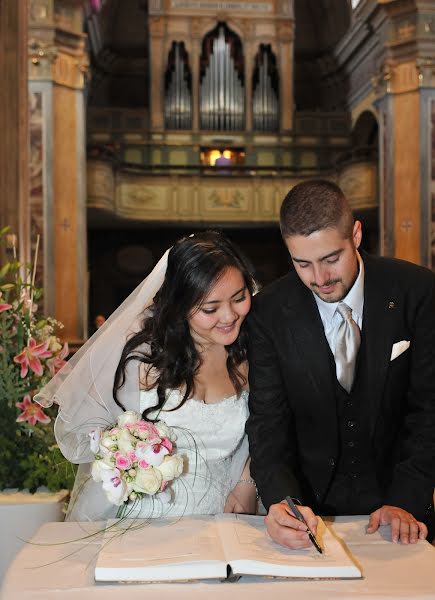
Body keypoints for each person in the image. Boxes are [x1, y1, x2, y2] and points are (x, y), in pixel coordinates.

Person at [246, 179, 435, 549]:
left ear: (357, 235)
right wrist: (282, 501)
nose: (319, 278)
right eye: (303, 263)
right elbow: (268, 422)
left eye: (331, 258)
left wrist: (405, 499)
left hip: (400, 510)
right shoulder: (269, 311)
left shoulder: (418, 291)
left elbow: (428, 410)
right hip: (309, 516)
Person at [36, 231, 258, 520]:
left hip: (225, 516)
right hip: (146, 520)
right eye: (210, 308)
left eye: (239, 298)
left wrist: (247, 481)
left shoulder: (252, 353)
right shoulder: (142, 360)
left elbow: (267, 429)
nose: (229, 316)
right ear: (181, 307)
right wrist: (123, 452)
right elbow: (87, 426)